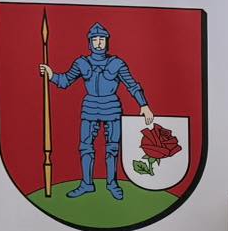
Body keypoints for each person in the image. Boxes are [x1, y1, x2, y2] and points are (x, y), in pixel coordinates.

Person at [39, 22, 154, 199]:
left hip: (112, 108)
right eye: (95, 39)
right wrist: (51, 75)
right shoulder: (81, 63)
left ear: (107, 41)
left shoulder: (117, 63)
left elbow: (132, 85)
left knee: (112, 148)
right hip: (90, 108)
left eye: (102, 39)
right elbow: (65, 81)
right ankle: (87, 184)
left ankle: (112, 184)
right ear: (90, 42)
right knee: (85, 147)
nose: (98, 43)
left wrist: (144, 105)